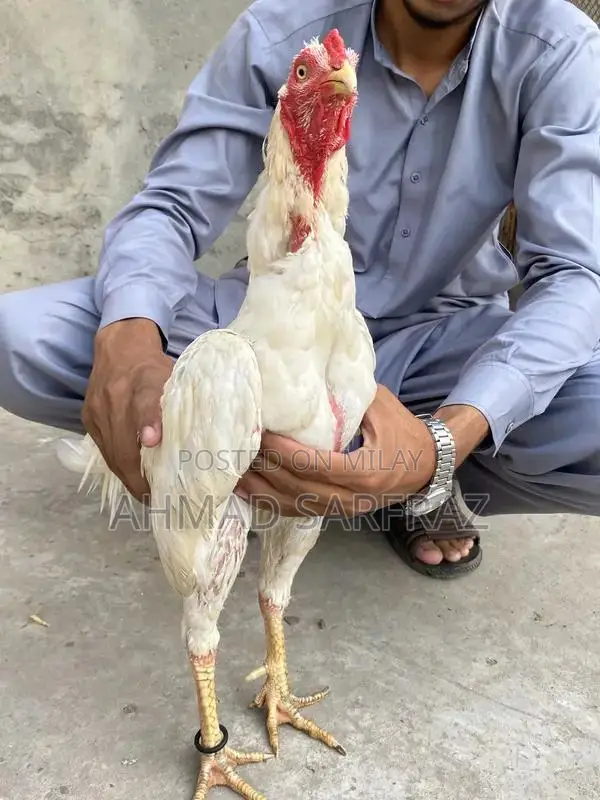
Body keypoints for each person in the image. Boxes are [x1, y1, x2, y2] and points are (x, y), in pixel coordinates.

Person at [1, 0, 600, 579]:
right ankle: (274, 471)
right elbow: (173, 205)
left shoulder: (559, 50)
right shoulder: (284, 27)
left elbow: (575, 276)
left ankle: (418, 481)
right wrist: (130, 350)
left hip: (443, 347)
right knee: (22, 339)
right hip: (279, 331)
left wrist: (444, 441)